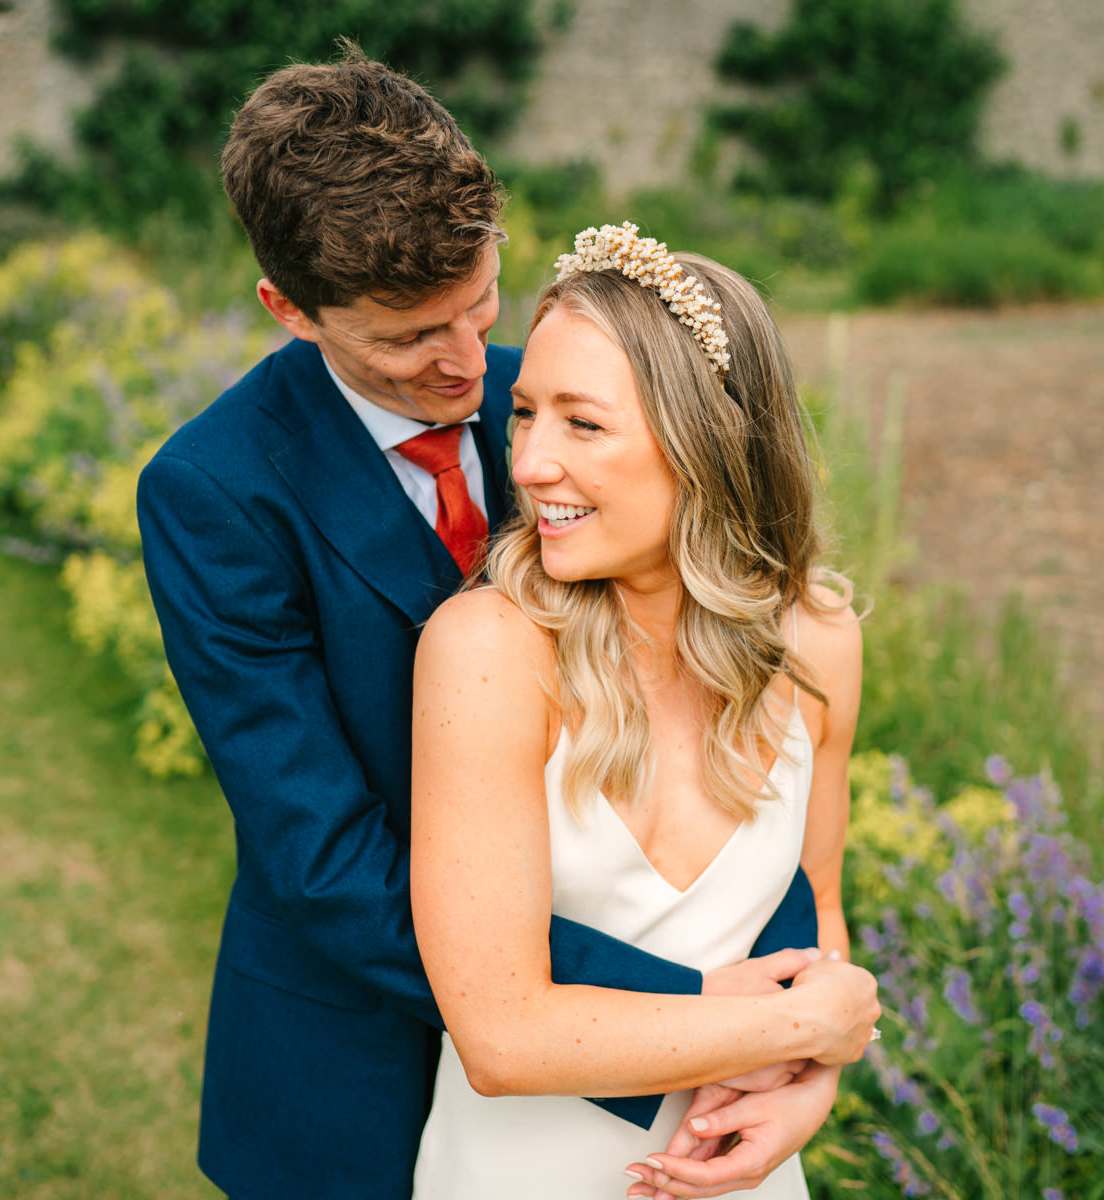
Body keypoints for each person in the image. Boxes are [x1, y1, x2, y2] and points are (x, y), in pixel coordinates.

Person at [136, 53, 868, 1200]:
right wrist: (693, 1004)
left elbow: (748, 791)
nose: (471, 367)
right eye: (411, 336)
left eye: (480, 301)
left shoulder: (569, 410)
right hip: (364, 1049)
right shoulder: (216, 492)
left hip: (671, 1082)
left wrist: (797, 1053)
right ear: (289, 311)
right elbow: (324, 860)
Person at [410, 225, 874, 1199]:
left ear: (707, 439)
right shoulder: (489, 650)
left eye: (582, 424)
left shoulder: (819, 640)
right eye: (525, 413)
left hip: (734, 1166)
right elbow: (501, 1036)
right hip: (518, 1171)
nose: (529, 463)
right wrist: (810, 1032)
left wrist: (805, 1097)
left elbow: (817, 920)